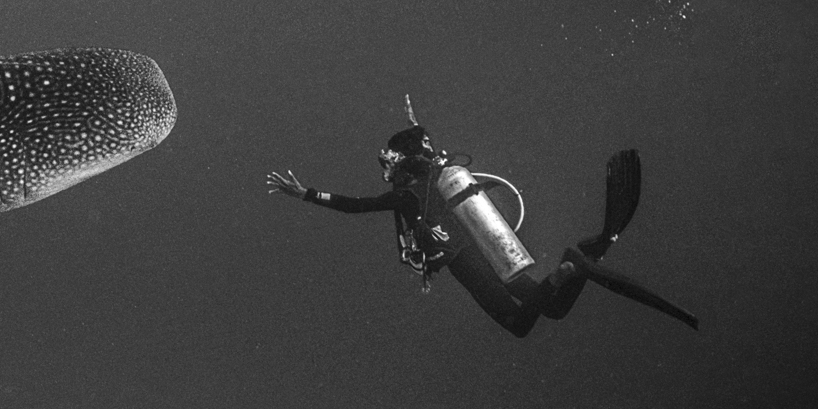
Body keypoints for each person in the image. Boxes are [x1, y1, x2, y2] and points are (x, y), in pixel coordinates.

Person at [267, 113, 697, 337]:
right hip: (489, 251)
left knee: (518, 324)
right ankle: (582, 252)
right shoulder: (438, 180)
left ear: (399, 162)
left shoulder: (410, 191)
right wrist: (416, 126)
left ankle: (570, 268)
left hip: (468, 263)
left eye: (387, 161)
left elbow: (354, 206)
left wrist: (305, 193)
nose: (384, 169)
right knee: (552, 311)